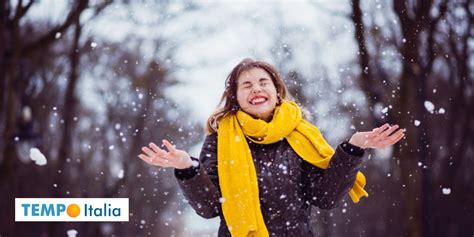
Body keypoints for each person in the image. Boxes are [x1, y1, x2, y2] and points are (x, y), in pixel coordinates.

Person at [138, 58, 405, 237]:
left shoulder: (301, 134)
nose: (256, 89)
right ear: (236, 98)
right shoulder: (220, 138)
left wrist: (353, 148)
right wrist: (187, 167)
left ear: (277, 91)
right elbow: (209, 208)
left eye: (263, 82)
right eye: (247, 85)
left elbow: (326, 197)